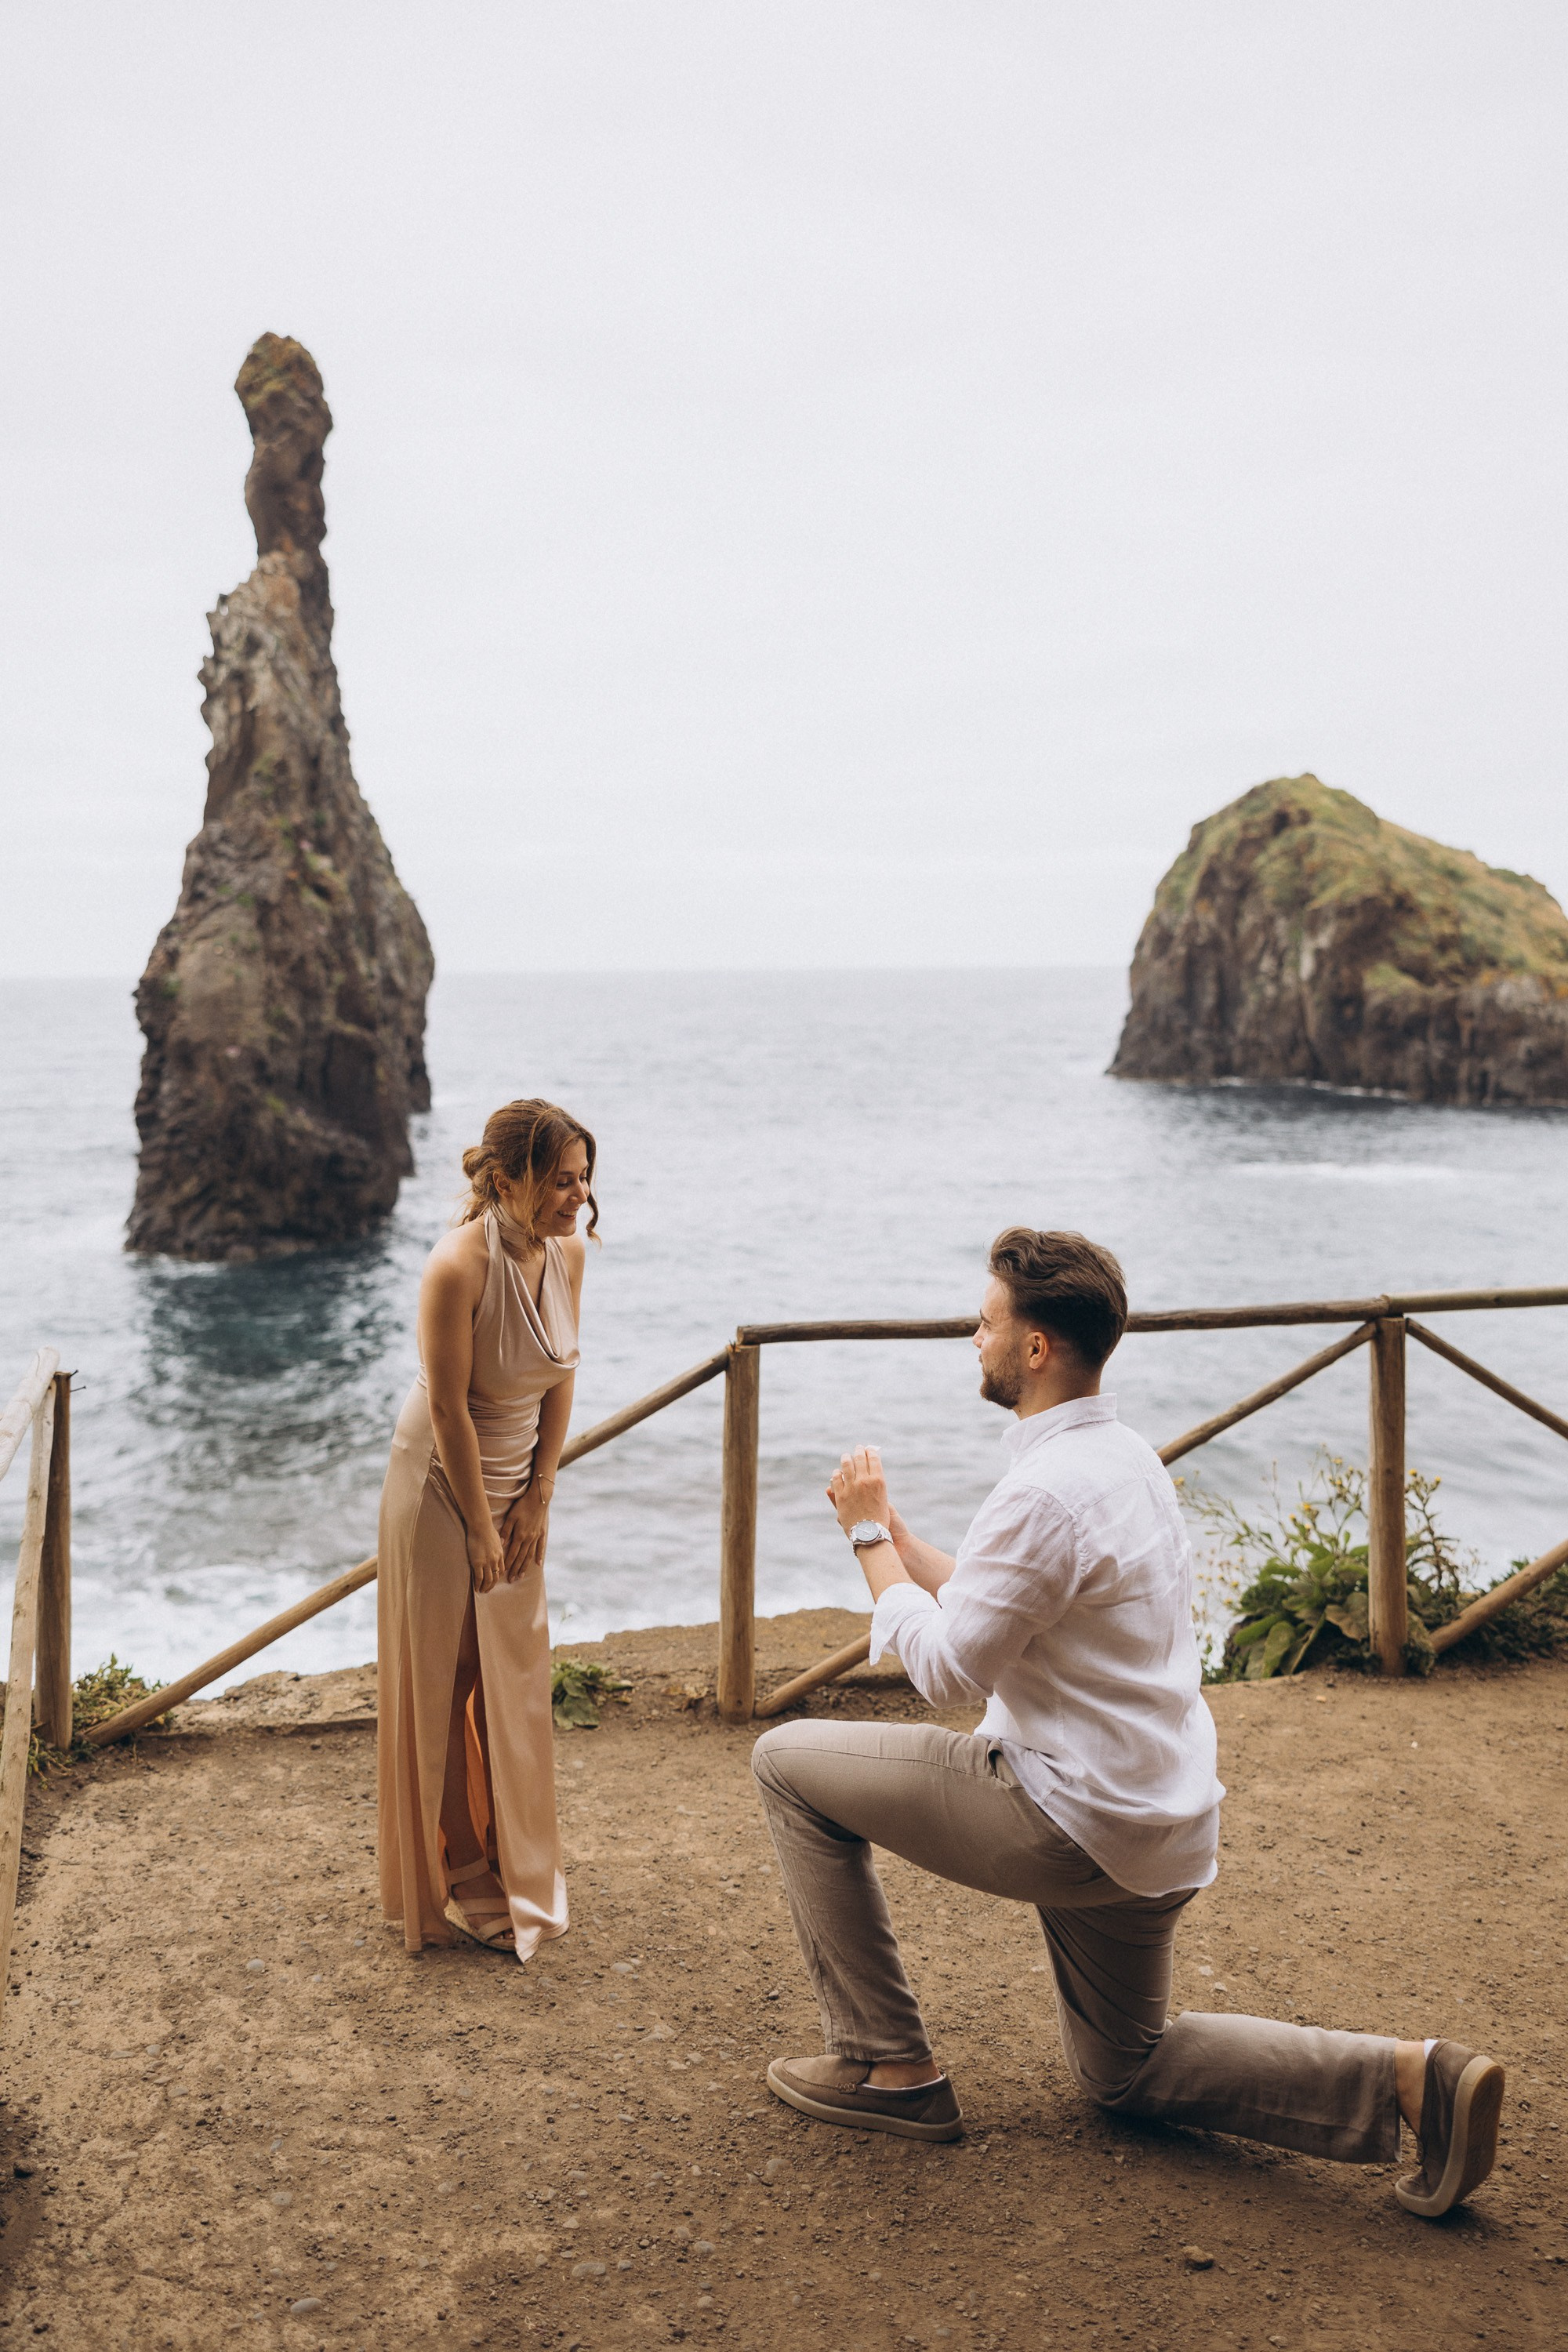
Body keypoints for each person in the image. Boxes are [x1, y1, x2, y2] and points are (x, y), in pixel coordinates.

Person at [751, 1226, 1504, 2220]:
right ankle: (1412, 2080)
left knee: (783, 1762)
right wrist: (897, 1538)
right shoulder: (1124, 1459)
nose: (970, 1341)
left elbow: (942, 1670)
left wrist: (861, 1538)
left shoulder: (1041, 1491)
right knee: (1124, 2071)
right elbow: (999, 1598)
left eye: (983, 1324)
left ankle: (890, 2069)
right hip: (1157, 1817)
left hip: (1063, 1817)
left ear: (1032, 1349)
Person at [376, 1098, 593, 1964]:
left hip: (514, 1489)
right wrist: (476, 1524)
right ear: (504, 1181)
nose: (574, 1197)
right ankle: (461, 1865)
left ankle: (501, 1853)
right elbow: (447, 1408)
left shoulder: (569, 1252)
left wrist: (539, 1492)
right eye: (557, 1181)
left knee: (504, 1676)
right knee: (449, 1678)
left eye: (582, 1179)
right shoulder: (454, 1268)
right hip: (439, 1485)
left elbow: (561, 1372)